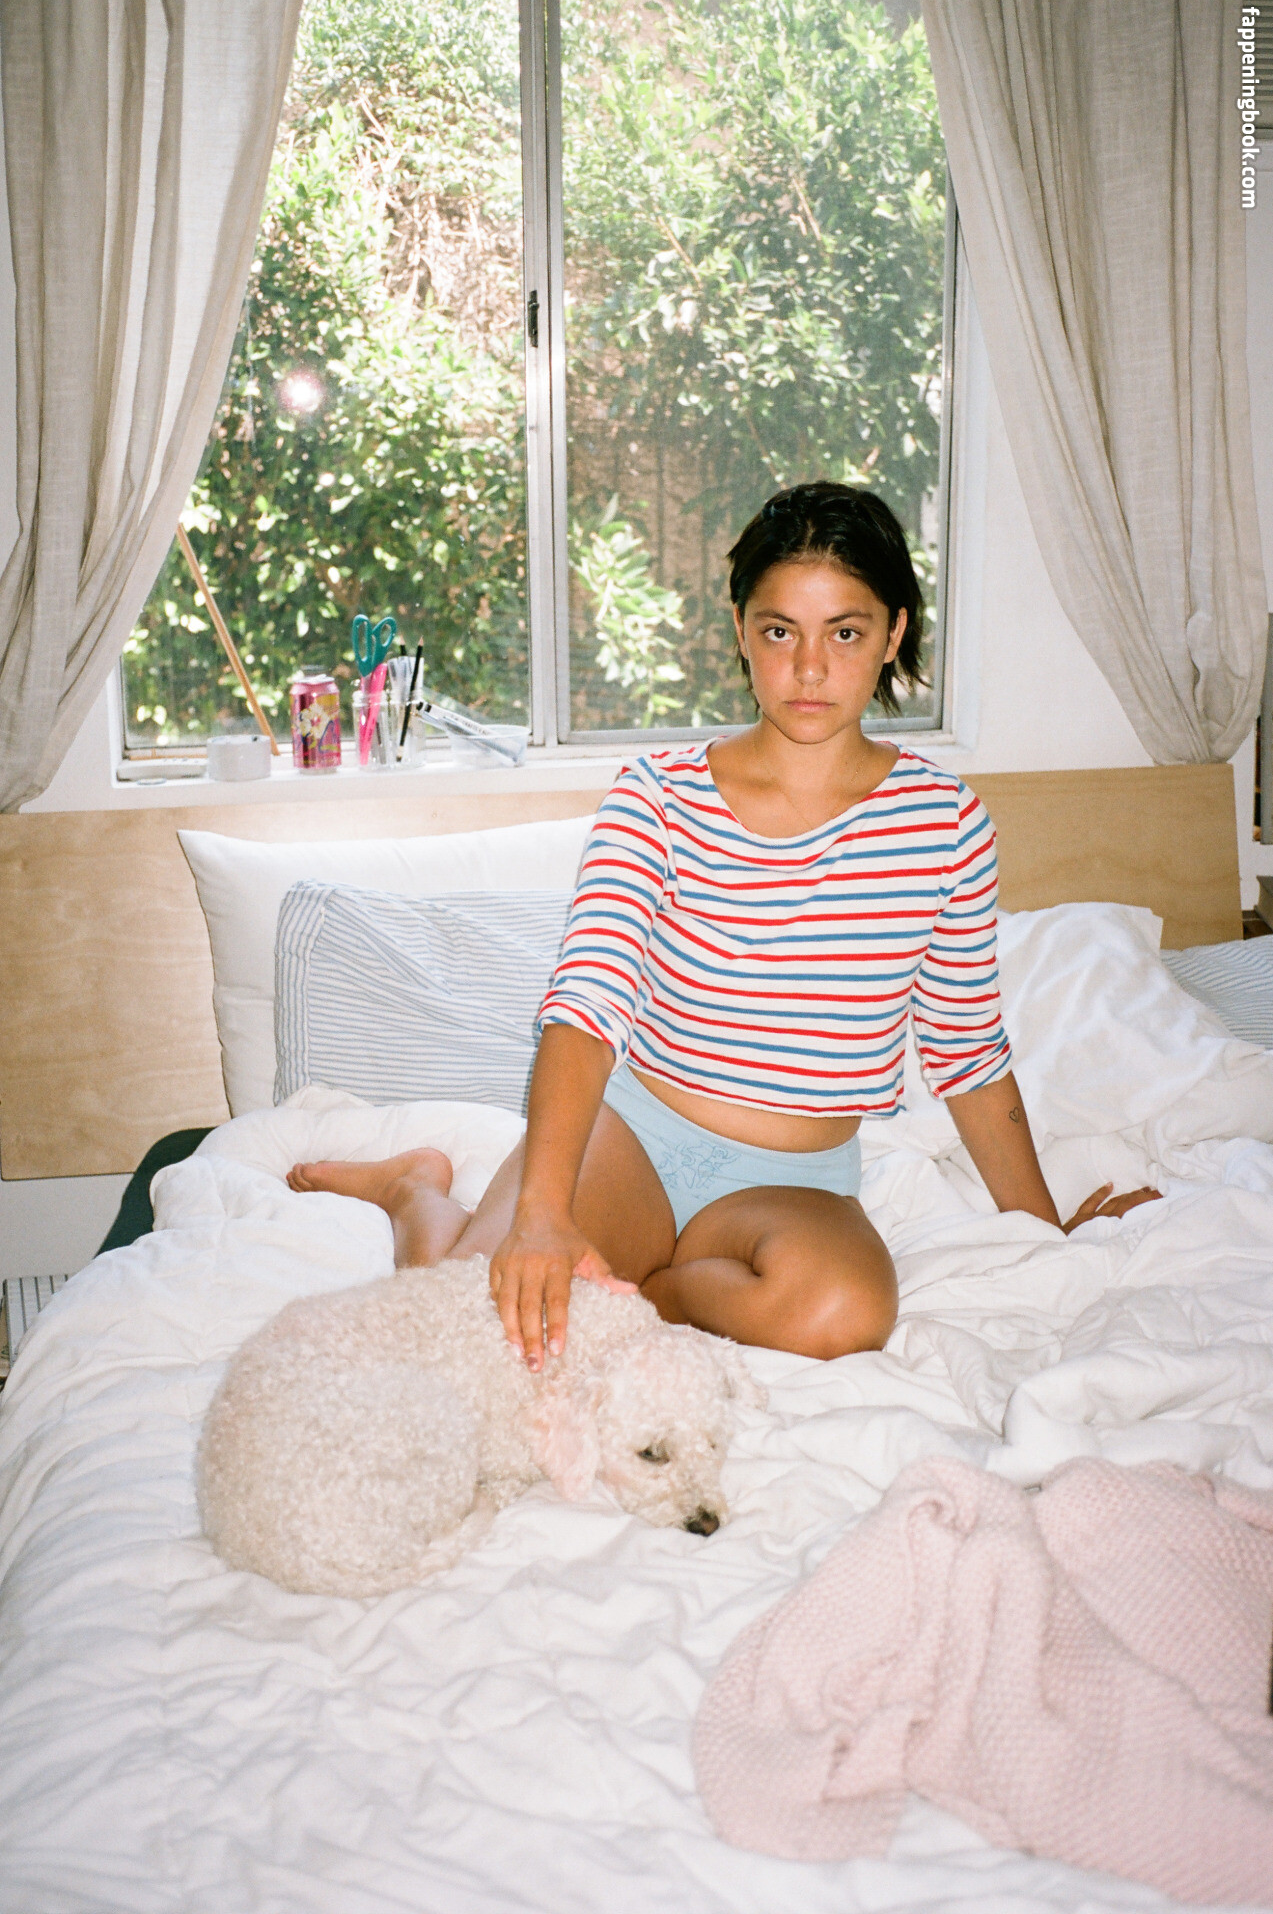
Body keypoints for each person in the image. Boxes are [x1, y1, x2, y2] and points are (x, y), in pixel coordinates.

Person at [289, 482, 1158, 1369]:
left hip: (795, 1185)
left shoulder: (945, 823)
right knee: (469, 1334)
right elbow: (587, 1003)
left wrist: (1043, 1232)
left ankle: (655, 1295)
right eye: (780, 631)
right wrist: (543, 1214)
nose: (809, 669)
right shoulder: (656, 795)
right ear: (741, 630)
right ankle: (417, 1194)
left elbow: (965, 1046)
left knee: (842, 1316)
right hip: (631, 1140)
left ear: (894, 633)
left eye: (844, 633)